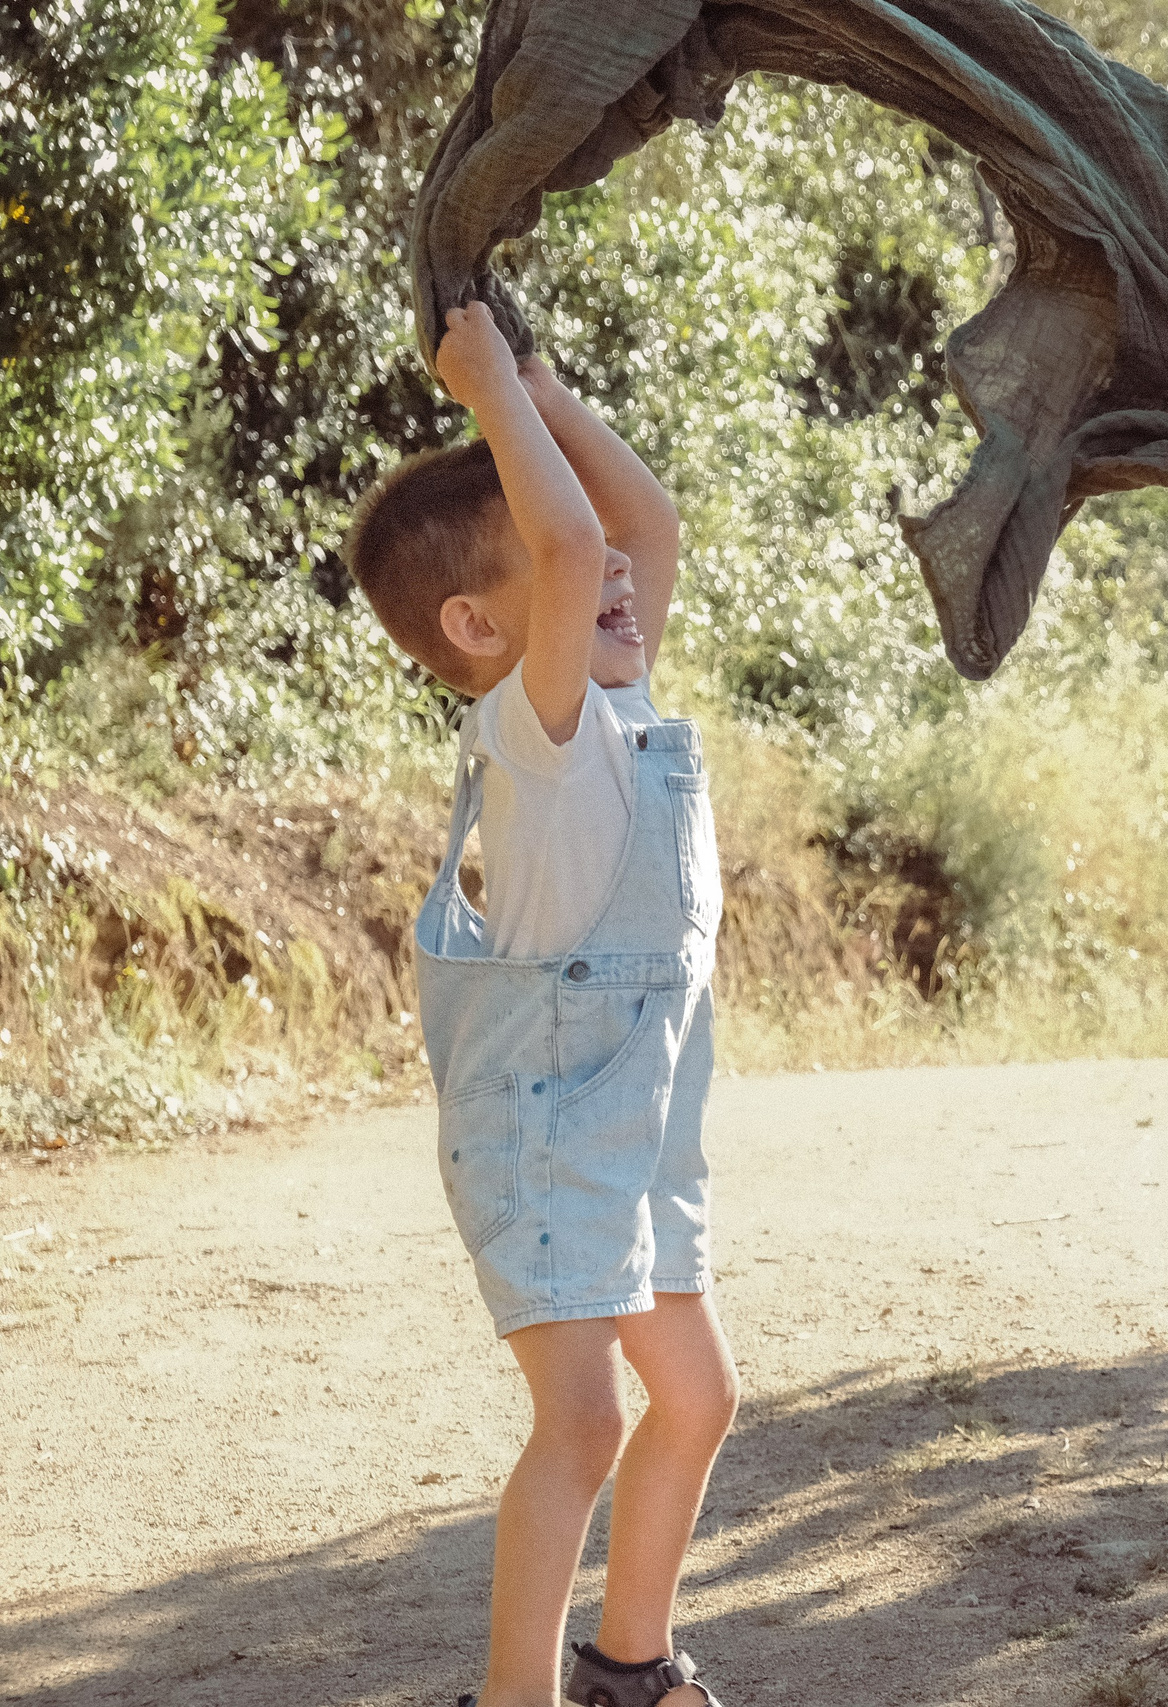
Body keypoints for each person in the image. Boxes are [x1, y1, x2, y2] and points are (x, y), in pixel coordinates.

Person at [345, 302, 736, 1707]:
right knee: (580, 1427)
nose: (614, 571)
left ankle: (632, 1668)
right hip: (545, 1135)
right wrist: (492, 394)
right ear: (478, 625)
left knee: (698, 1398)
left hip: (631, 1130)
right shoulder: (539, 729)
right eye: (574, 571)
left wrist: (549, 393)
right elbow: (578, 546)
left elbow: (639, 525)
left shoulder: (619, 696)